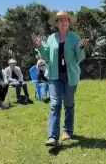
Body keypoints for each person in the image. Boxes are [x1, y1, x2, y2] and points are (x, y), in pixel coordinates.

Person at [33, 10, 88, 146]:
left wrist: (81, 48)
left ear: (69, 23)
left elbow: (77, 59)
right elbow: (46, 56)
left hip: (70, 76)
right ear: (57, 23)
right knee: (55, 104)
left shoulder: (75, 38)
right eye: (60, 20)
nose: (63, 22)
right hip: (54, 76)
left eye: (66, 19)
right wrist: (40, 46)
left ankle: (68, 131)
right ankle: (53, 137)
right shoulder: (51, 38)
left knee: (69, 105)